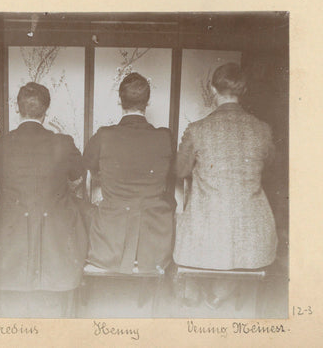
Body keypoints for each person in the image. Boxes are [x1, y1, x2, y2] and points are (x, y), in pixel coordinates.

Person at [0, 82, 88, 317]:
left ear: (18, 109)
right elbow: (77, 173)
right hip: (55, 238)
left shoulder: (1, 143)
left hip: (10, 234)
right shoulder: (63, 142)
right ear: (46, 110)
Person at [173, 63, 278, 308]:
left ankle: (208, 293)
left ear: (212, 89)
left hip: (207, 231)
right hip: (253, 235)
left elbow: (179, 171)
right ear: (244, 90)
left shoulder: (197, 130)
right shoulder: (263, 130)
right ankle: (222, 293)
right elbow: (271, 168)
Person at [83, 72, 176, 274]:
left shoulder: (104, 136)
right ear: (147, 102)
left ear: (119, 100)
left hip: (109, 241)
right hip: (154, 243)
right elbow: (170, 173)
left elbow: (88, 164)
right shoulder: (164, 137)